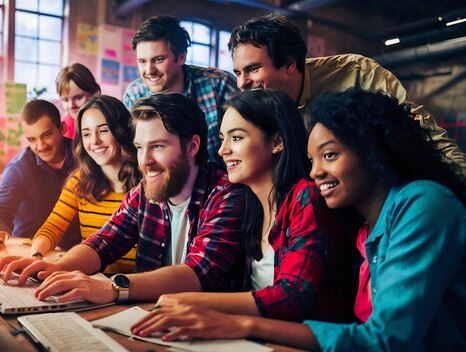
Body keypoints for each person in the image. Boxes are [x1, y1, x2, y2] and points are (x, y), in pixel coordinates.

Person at [131, 89, 466, 351]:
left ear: (372, 149)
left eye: (330, 155)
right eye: (312, 159)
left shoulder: (423, 203)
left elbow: (386, 339)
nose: (317, 171)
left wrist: (237, 322)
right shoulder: (364, 228)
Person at [0, 92, 245, 306]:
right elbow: (103, 242)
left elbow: (197, 273)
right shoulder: (144, 193)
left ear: (192, 146)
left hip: (205, 326)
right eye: (141, 147)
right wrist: (55, 267)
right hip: (150, 316)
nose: (145, 161)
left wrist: (112, 287)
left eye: (157, 146)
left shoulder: (226, 195)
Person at [141, 89, 356, 322]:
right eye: (223, 138)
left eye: (236, 137)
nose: (223, 150)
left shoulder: (306, 197)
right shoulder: (247, 203)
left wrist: (188, 301)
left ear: (277, 141)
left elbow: (292, 297)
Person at [228, 14, 466, 172]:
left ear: (290, 63)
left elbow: (425, 138)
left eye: (253, 69)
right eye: (237, 73)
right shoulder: (253, 109)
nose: (242, 83)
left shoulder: (357, 74)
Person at [0, 95, 141, 274]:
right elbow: (53, 226)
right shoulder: (80, 180)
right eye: (87, 134)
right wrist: (35, 257)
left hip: (136, 283)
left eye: (103, 130)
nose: (94, 141)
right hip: (91, 276)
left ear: (120, 130)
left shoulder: (146, 186)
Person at [123, 15, 239, 167]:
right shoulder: (134, 96)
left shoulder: (218, 84)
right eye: (142, 61)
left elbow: (243, 140)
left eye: (158, 60)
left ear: (181, 57)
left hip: (220, 182)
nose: (149, 70)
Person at [0, 99, 79, 242]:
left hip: (77, 253)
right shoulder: (19, 169)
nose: (41, 146)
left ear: (62, 128)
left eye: (46, 135)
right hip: (28, 250)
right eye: (32, 139)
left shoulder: (83, 158)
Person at [56, 63, 101, 139]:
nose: (71, 105)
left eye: (78, 98)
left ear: (95, 93)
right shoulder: (64, 128)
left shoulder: (107, 118)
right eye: (65, 100)